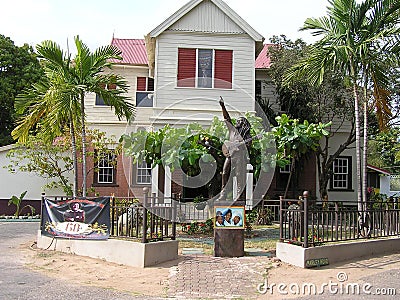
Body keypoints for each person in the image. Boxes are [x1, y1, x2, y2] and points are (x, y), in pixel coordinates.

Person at [218, 97, 252, 201]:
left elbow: (249, 146)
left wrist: (242, 145)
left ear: (243, 124)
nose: (237, 122)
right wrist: (223, 106)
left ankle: (239, 195)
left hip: (240, 156)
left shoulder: (247, 135)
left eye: (239, 121)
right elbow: (227, 118)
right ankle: (223, 194)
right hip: (230, 155)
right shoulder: (232, 131)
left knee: (239, 175)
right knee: (225, 173)